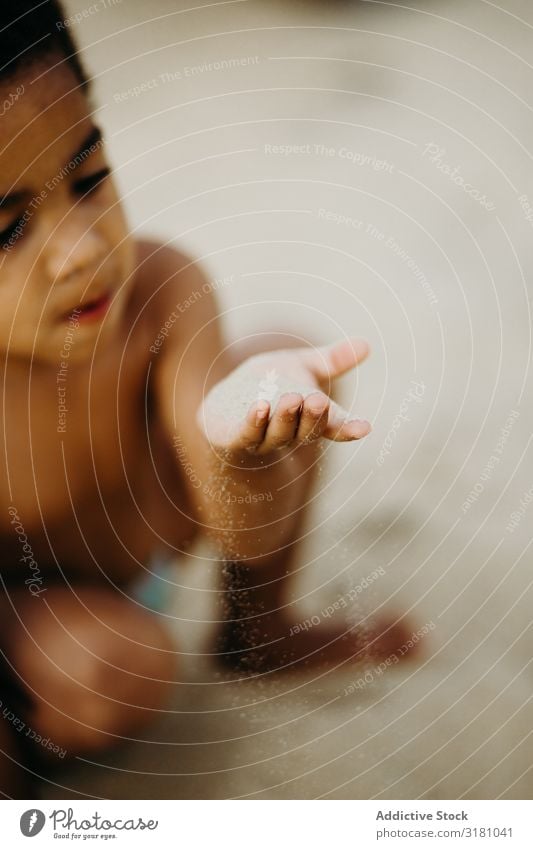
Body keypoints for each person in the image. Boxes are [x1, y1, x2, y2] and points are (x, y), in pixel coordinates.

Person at [0, 1, 412, 798]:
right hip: (38, 616)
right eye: (9, 230)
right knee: (112, 669)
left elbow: (240, 528)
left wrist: (241, 448)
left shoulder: (159, 294)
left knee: (280, 365)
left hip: (150, 535)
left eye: (88, 180)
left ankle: (259, 633)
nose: (82, 249)